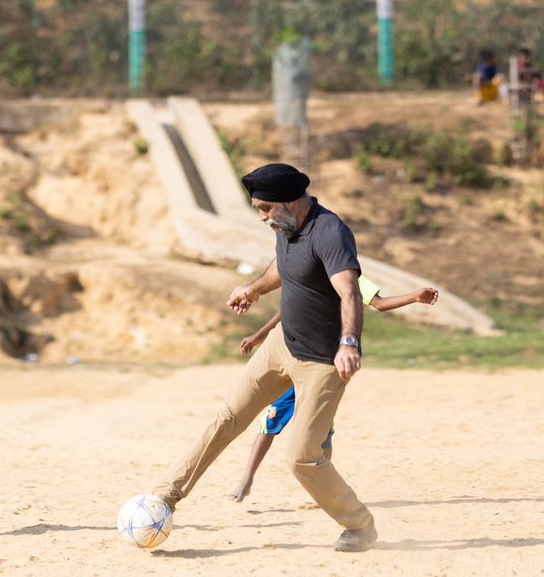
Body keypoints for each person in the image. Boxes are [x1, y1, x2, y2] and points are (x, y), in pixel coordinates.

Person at [150, 162, 378, 552]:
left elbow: (350, 293)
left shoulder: (330, 232)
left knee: (302, 457)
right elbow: (282, 268)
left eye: (265, 209)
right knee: (228, 417)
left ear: (290, 201)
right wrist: (255, 289)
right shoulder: (286, 226)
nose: (262, 217)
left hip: (322, 362)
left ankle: (360, 526)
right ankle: (164, 497)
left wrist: (349, 344)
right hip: (281, 344)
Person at [227, 278, 438, 502]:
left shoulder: (351, 278)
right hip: (295, 356)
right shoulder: (309, 271)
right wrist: (258, 336)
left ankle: (323, 490)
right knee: (271, 419)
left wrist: (414, 297)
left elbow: (379, 303)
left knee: (321, 430)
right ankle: (247, 479)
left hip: (326, 362)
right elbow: (286, 312)